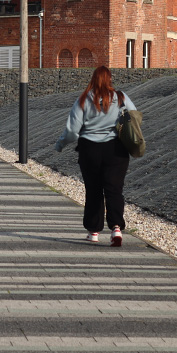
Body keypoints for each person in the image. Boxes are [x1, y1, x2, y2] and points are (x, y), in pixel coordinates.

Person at [55, 65, 135, 245]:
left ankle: (94, 232)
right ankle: (116, 229)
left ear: (93, 79)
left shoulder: (83, 99)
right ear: (109, 79)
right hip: (116, 149)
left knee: (94, 190)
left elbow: (72, 130)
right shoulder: (120, 97)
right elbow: (134, 116)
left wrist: (60, 145)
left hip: (89, 150)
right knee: (114, 189)